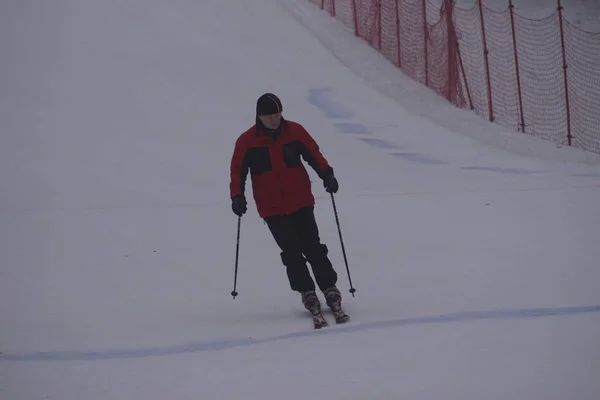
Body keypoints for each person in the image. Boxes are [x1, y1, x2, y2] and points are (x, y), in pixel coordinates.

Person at [229, 93, 347, 321]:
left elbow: (313, 153)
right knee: (292, 252)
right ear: (259, 117)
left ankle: (329, 287)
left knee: (313, 247)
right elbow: (237, 170)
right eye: (270, 116)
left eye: (278, 114)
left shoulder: (294, 131)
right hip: (271, 208)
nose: (275, 120)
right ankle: (307, 291)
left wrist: (327, 174)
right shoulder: (247, 141)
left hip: (300, 200)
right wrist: (237, 196)